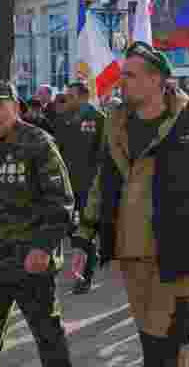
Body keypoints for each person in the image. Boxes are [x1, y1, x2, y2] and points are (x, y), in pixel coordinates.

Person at [73, 41, 189, 366]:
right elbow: (100, 186)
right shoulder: (117, 124)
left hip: (174, 249)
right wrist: (83, 239)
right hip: (131, 252)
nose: (123, 82)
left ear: (155, 80)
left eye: (130, 75)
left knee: (168, 340)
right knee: (151, 339)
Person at [0, 81, 75, 366]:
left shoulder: (38, 143)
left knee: (48, 337)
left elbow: (61, 201)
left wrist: (43, 247)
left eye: (0, 106)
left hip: (31, 261)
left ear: (16, 107)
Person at [53, 81, 106, 295]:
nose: (68, 99)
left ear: (84, 96)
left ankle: (85, 275)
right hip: (66, 186)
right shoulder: (63, 118)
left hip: (89, 187)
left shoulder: (99, 119)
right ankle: (83, 260)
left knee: (85, 233)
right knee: (69, 230)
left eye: (71, 96)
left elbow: (103, 155)